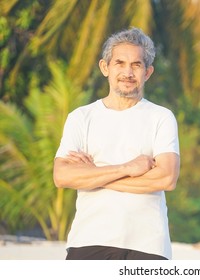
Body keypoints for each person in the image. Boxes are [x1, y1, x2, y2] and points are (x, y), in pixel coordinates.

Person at [53, 27, 180, 260]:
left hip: (148, 244)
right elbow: (62, 176)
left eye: (136, 65)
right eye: (119, 63)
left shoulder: (161, 117)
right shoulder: (81, 117)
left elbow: (166, 178)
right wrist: (126, 169)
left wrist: (95, 175)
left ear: (148, 72)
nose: (127, 72)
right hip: (89, 239)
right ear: (105, 68)